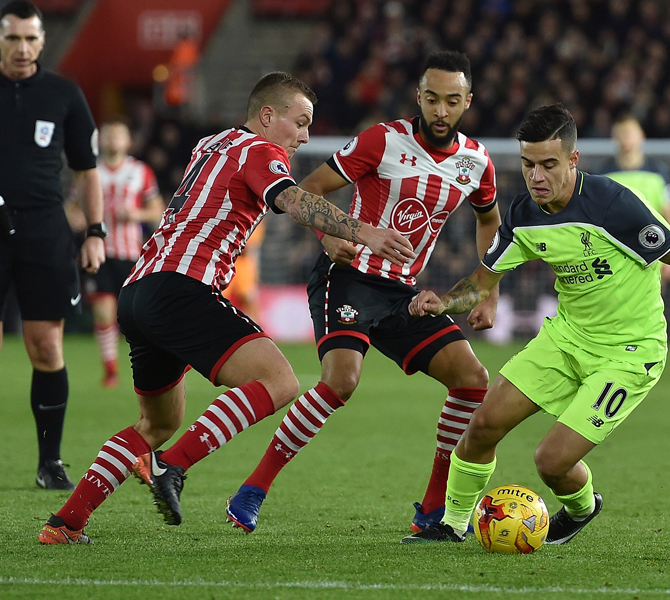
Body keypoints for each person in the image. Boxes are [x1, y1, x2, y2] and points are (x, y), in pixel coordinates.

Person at [38, 71, 414, 545]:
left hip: (139, 292)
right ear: (266, 116)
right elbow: (290, 198)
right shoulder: (261, 150)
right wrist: (364, 231)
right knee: (279, 382)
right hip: (182, 288)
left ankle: (66, 523)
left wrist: (327, 233)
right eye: (299, 123)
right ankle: (172, 465)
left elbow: (254, 198)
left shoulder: (213, 143)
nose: (304, 135)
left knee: (158, 422)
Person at [402, 104, 670, 545]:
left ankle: (583, 508)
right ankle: (450, 526)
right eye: (528, 165)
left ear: (573, 160)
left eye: (549, 164)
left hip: (630, 353)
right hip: (566, 339)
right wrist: (443, 303)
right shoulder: (523, 215)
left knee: (551, 462)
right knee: (483, 426)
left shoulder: (613, 204)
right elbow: (481, 282)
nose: (537, 176)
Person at [223, 50, 502, 534]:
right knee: (341, 381)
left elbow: (489, 220)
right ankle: (253, 488)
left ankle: (433, 509)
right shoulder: (383, 140)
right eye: (431, 98)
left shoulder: (476, 162)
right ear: (418, 96)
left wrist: (489, 291)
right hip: (349, 276)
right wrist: (329, 236)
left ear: (467, 101)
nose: (440, 110)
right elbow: (308, 187)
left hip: (404, 292)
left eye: (451, 101)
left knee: (473, 379)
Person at [0, 1, 104, 491]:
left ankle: (50, 462)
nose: (22, 48)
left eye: (30, 39)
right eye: (12, 38)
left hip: (45, 230)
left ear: (42, 41)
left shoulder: (64, 94)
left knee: (46, 345)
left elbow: (87, 170)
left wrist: (97, 232)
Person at [79, 118, 164, 388]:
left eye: (119, 135)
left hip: (132, 255)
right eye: (108, 135)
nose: (113, 140)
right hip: (100, 252)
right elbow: (72, 208)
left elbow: (158, 211)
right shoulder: (90, 172)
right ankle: (111, 371)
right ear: (100, 140)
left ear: (128, 141)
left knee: (136, 316)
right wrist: (80, 219)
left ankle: (150, 367)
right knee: (104, 312)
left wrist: (137, 214)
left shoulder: (141, 171)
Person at [596, 113, 670, 282]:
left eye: (629, 133)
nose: (625, 138)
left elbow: (669, 215)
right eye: (621, 134)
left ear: (641, 136)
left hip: (652, 253)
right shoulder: (603, 174)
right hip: (614, 257)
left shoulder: (658, 172)